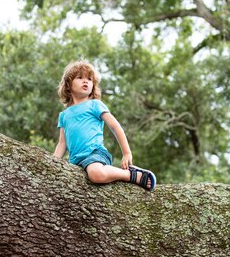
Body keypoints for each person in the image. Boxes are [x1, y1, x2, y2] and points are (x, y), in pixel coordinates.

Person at [53, 60, 156, 191]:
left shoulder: (94, 105)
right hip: (75, 161)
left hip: (94, 153)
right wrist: (53, 163)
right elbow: (62, 143)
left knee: (96, 174)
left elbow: (115, 127)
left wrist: (127, 153)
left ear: (93, 86)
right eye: (80, 78)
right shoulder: (64, 115)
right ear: (68, 85)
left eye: (89, 79)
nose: (85, 81)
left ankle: (131, 175)